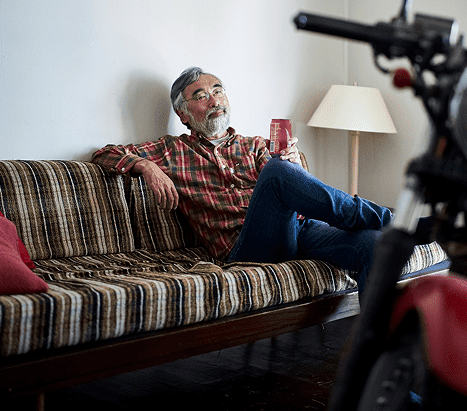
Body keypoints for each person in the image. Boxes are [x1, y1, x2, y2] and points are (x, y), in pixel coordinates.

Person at [91, 67, 392, 290]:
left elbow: (291, 189)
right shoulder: (171, 151)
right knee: (276, 171)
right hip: (247, 248)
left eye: (218, 91)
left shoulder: (256, 145)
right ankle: (390, 219)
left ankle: (377, 360)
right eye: (201, 96)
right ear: (183, 115)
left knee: (374, 245)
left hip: (299, 230)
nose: (214, 101)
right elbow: (104, 154)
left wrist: (295, 164)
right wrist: (147, 167)